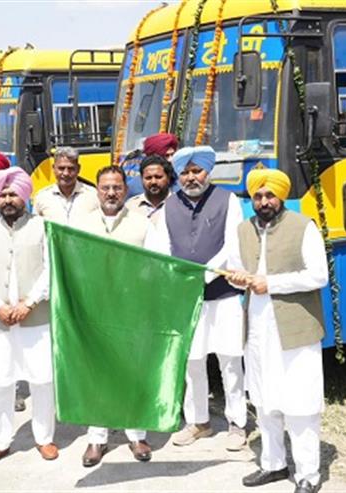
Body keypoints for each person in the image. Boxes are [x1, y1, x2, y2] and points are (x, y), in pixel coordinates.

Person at [226, 169, 328, 493]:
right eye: (258, 196)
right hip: (257, 329)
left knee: (300, 402)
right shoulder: (243, 230)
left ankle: (308, 474)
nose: (264, 201)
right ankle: (273, 464)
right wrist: (238, 279)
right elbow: (234, 271)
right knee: (263, 398)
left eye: (270, 195)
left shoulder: (303, 226)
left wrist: (272, 283)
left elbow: (319, 275)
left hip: (296, 329)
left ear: (281, 196)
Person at [147, 146, 247, 451]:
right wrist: (176, 278)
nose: (191, 177)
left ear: (208, 171)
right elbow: (161, 248)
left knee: (230, 360)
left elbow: (232, 246)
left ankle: (237, 423)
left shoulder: (228, 200)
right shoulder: (169, 206)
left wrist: (204, 274)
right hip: (186, 299)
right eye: (186, 172)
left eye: (197, 171)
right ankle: (199, 422)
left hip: (223, 293)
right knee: (192, 361)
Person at [0, 167, 57, 468]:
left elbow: (50, 269)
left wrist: (29, 303)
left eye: (13, 194)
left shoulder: (42, 227)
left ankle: (44, 438)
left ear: (25, 196)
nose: (8, 200)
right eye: (3, 194)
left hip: (36, 318)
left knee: (42, 380)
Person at [76, 165, 152, 467]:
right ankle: (97, 438)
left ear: (126, 189)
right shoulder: (81, 224)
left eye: (117, 187)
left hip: (133, 308)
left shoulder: (143, 224)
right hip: (94, 308)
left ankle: (137, 435)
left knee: (133, 371)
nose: (111, 193)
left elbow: (157, 262)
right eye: (105, 187)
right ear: (97, 190)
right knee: (97, 372)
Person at [33, 147, 98, 225]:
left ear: (78, 169)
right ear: (54, 168)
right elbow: (35, 228)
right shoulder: (42, 197)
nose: (66, 173)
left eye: (71, 168)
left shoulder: (93, 195)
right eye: (61, 168)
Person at [125, 154, 175, 224]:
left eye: (158, 177)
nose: (153, 182)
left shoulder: (180, 205)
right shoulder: (131, 206)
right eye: (148, 178)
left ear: (168, 178)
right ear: (141, 179)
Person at [126, 132, 178, 197]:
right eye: (166, 156)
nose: (170, 159)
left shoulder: (180, 181)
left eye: (173, 155)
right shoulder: (135, 187)